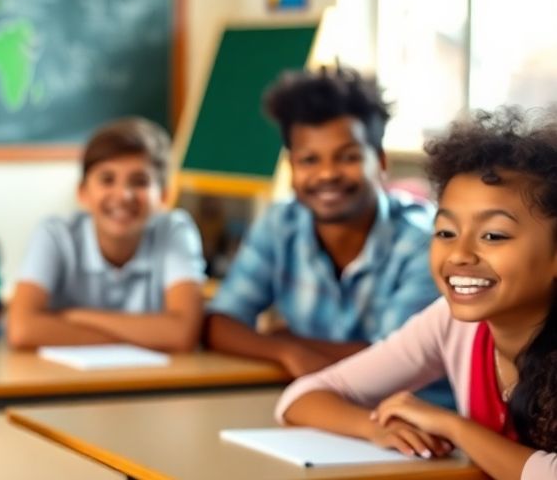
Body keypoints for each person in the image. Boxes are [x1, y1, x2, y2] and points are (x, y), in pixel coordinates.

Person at [278, 107, 557, 479]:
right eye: (445, 232)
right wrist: (377, 427)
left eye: (493, 235)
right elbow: (301, 398)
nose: (459, 255)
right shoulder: (452, 323)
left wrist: (454, 427)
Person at [205, 67, 439, 376]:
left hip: (415, 412)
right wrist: (286, 349)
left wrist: (288, 338)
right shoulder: (281, 224)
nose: (327, 174)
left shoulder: (426, 241)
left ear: (381, 162)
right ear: (292, 167)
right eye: (309, 160)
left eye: (348, 157)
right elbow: (220, 324)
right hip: (325, 407)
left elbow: (394, 360)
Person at [7, 117, 205, 352]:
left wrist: (75, 316)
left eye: (139, 181)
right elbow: (22, 330)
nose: (123, 195)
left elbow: (181, 334)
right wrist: (144, 336)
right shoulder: (55, 234)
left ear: (163, 195)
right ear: (82, 192)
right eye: (107, 179)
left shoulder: (176, 231)